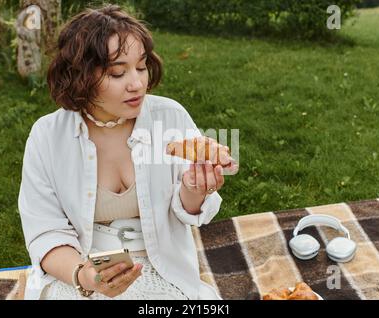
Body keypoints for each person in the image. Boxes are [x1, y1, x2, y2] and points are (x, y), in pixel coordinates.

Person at [18, 4, 237, 300]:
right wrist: (86, 277)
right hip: (81, 265)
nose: (137, 84)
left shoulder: (169, 117)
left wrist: (194, 190)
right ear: (80, 76)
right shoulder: (47, 136)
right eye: (117, 73)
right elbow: (44, 231)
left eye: (142, 66)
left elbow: (190, 210)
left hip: (161, 263)